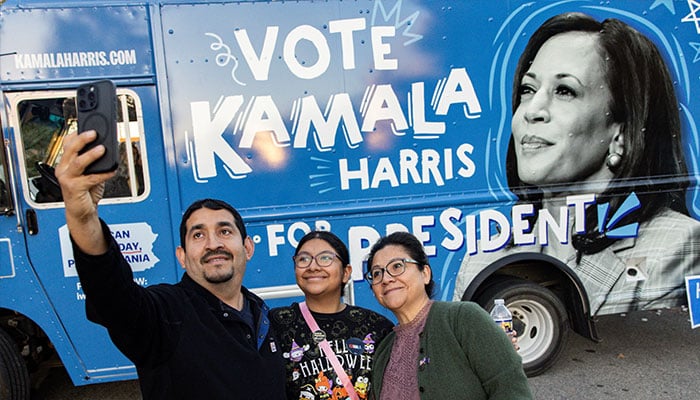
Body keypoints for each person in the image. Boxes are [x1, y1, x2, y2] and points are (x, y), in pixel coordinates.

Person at [454, 12, 700, 315]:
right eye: (528, 90)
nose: (533, 111)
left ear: (621, 132)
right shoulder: (484, 257)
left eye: (565, 91)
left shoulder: (674, 245)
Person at [55, 129, 285, 399]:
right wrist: (82, 217)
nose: (213, 244)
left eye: (225, 231)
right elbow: (113, 295)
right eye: (198, 235)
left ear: (247, 248)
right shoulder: (165, 315)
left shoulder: (263, 315)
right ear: (182, 256)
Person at [366, 232, 532, 400]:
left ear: (425, 273)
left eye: (396, 266)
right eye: (377, 273)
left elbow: (510, 387)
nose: (386, 279)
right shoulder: (383, 351)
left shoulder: (463, 318)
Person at [270, 230, 394, 400]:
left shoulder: (376, 326)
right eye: (303, 259)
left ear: (346, 272)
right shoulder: (277, 323)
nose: (313, 267)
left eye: (325, 258)